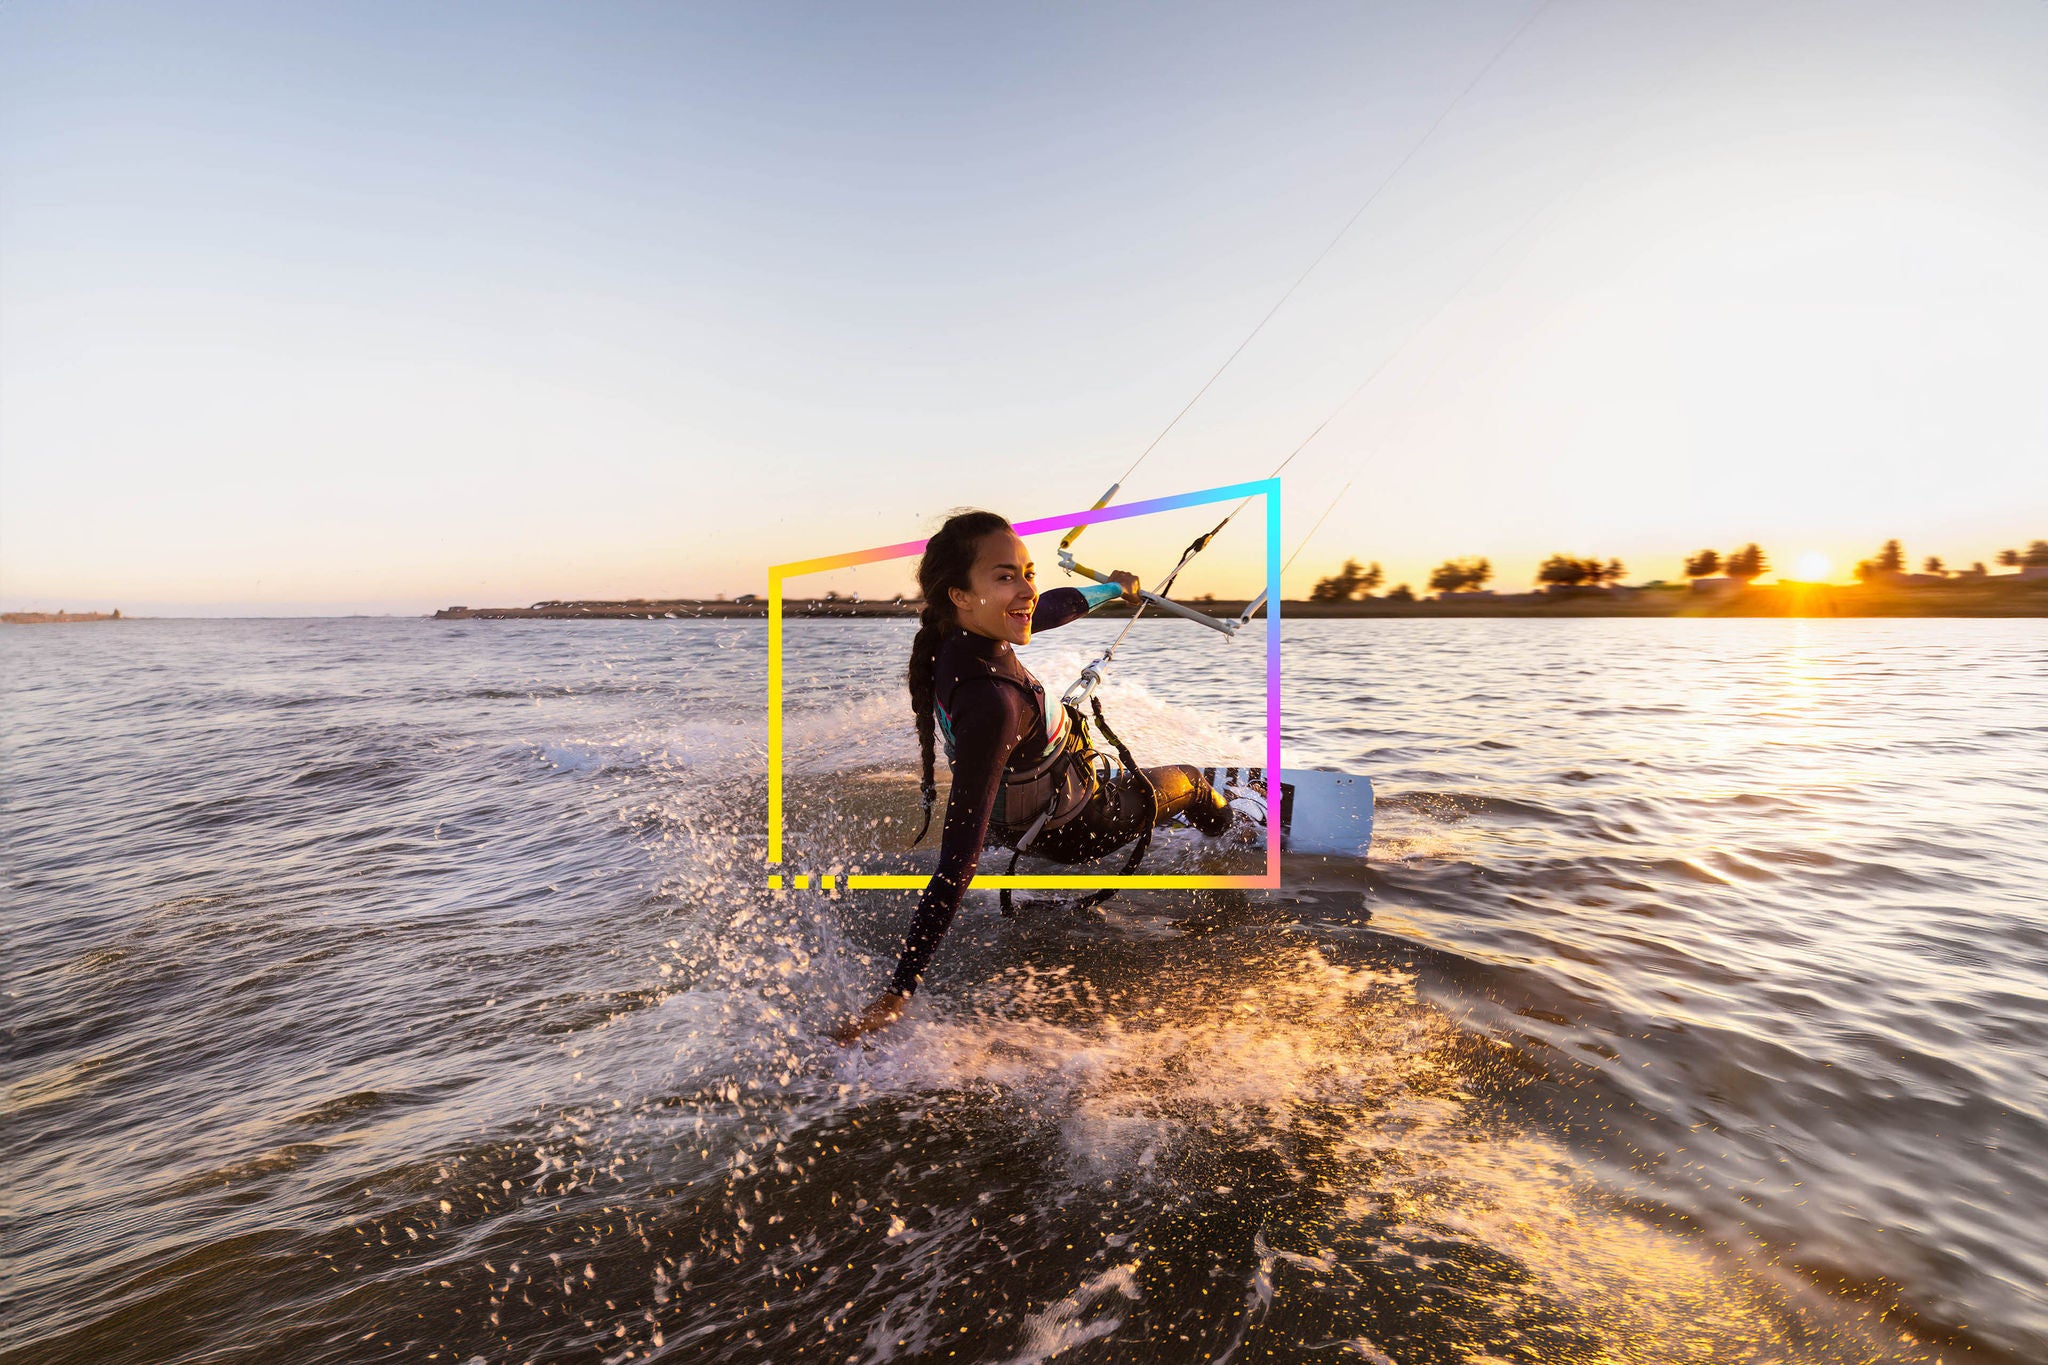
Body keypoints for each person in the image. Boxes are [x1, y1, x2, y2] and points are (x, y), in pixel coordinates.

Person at [831, 510, 1234, 1045]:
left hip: (1019, 820)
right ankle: (1234, 832)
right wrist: (897, 994)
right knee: (1190, 780)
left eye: (1028, 572)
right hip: (1075, 827)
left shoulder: (953, 640)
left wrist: (1114, 588)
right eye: (1005, 576)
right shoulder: (993, 704)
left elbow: (1046, 609)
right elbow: (956, 862)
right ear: (961, 594)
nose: (1025, 590)